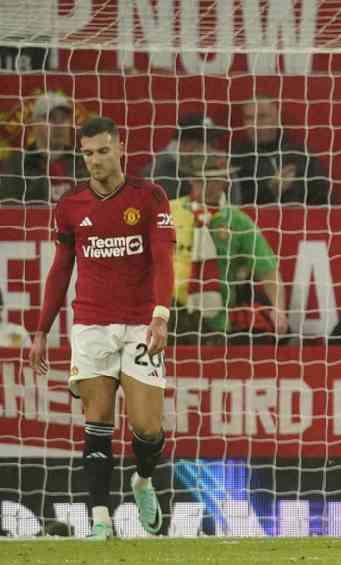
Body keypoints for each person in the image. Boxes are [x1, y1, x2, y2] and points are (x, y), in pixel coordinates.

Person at [27, 116, 175, 540]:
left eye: (103, 151)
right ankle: (100, 522)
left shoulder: (150, 196)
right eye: (88, 153)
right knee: (97, 423)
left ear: (121, 147)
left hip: (141, 324)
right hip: (90, 324)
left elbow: (163, 258)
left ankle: (143, 480)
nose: (94, 160)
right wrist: (41, 329)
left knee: (147, 427)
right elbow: (60, 269)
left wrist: (161, 314)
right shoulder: (71, 205)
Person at [169, 154, 288, 343]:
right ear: (192, 179)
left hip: (214, 319)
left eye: (219, 180)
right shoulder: (168, 212)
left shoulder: (238, 221)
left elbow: (268, 269)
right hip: (169, 312)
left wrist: (278, 309)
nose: (213, 186)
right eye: (206, 180)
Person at [232, 96, 331, 205]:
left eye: (262, 116)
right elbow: (234, 203)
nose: (255, 124)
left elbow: (323, 200)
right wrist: (270, 190)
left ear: (277, 118)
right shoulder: (236, 159)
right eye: (249, 118)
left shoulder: (301, 156)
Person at [0, 93, 87, 204]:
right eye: (51, 118)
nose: (59, 125)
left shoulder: (83, 162)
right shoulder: (16, 166)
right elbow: (9, 211)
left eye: (64, 118)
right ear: (34, 123)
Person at [141, 113, 223, 200]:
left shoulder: (213, 165)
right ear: (184, 144)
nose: (210, 149)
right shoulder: (160, 172)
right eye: (206, 142)